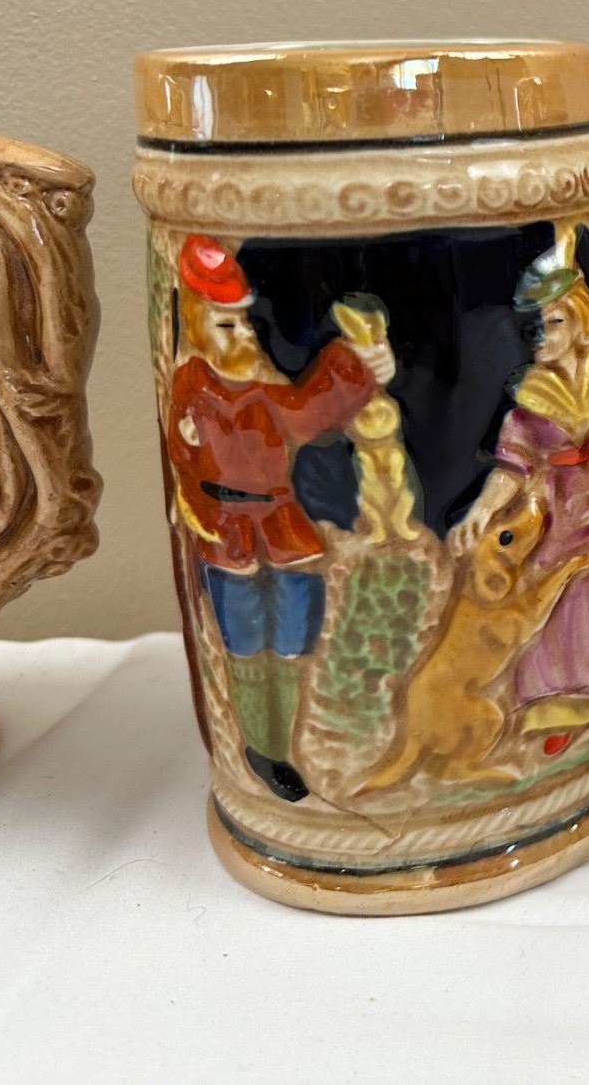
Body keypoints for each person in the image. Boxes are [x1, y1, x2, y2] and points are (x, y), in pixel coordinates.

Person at [167, 234, 393, 801]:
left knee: (293, 635)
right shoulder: (193, 385)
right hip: (225, 530)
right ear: (198, 326)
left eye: (245, 322)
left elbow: (308, 415)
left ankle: (280, 748)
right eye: (227, 325)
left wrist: (360, 367)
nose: (245, 335)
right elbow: (183, 452)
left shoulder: (262, 383)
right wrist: (188, 470)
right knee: (245, 638)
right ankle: (261, 748)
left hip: (280, 525)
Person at [451, 232, 589, 755]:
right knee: (560, 609)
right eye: (534, 326)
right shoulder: (531, 397)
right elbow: (512, 465)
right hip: (558, 512)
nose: (541, 336)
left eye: (553, 323)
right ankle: (558, 710)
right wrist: (483, 510)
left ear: (578, 321)